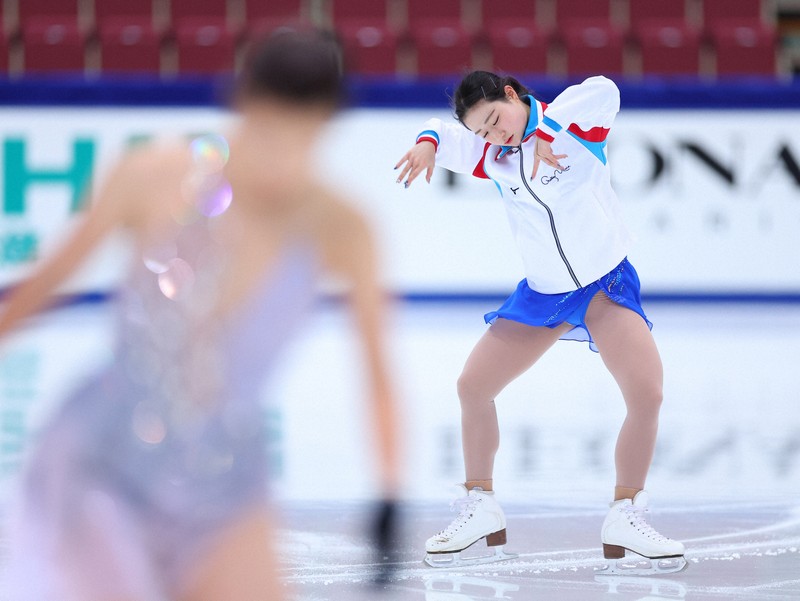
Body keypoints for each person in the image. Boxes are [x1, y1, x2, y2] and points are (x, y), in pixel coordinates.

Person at [0, 29, 401, 600]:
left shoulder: (341, 227)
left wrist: (388, 494)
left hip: (225, 472)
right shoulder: (152, 176)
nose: (281, 155)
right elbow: (42, 287)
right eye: (268, 130)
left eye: (303, 135)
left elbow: (377, 370)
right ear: (241, 102)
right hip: (105, 462)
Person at [394, 71, 686, 574]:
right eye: (482, 131)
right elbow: (443, 133)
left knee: (648, 394)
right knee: (473, 386)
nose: (493, 134)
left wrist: (546, 130)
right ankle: (480, 506)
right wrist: (426, 144)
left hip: (603, 286)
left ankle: (626, 514)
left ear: (512, 94)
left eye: (495, 119)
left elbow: (603, 90)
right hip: (544, 294)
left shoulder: (577, 127)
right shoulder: (495, 155)